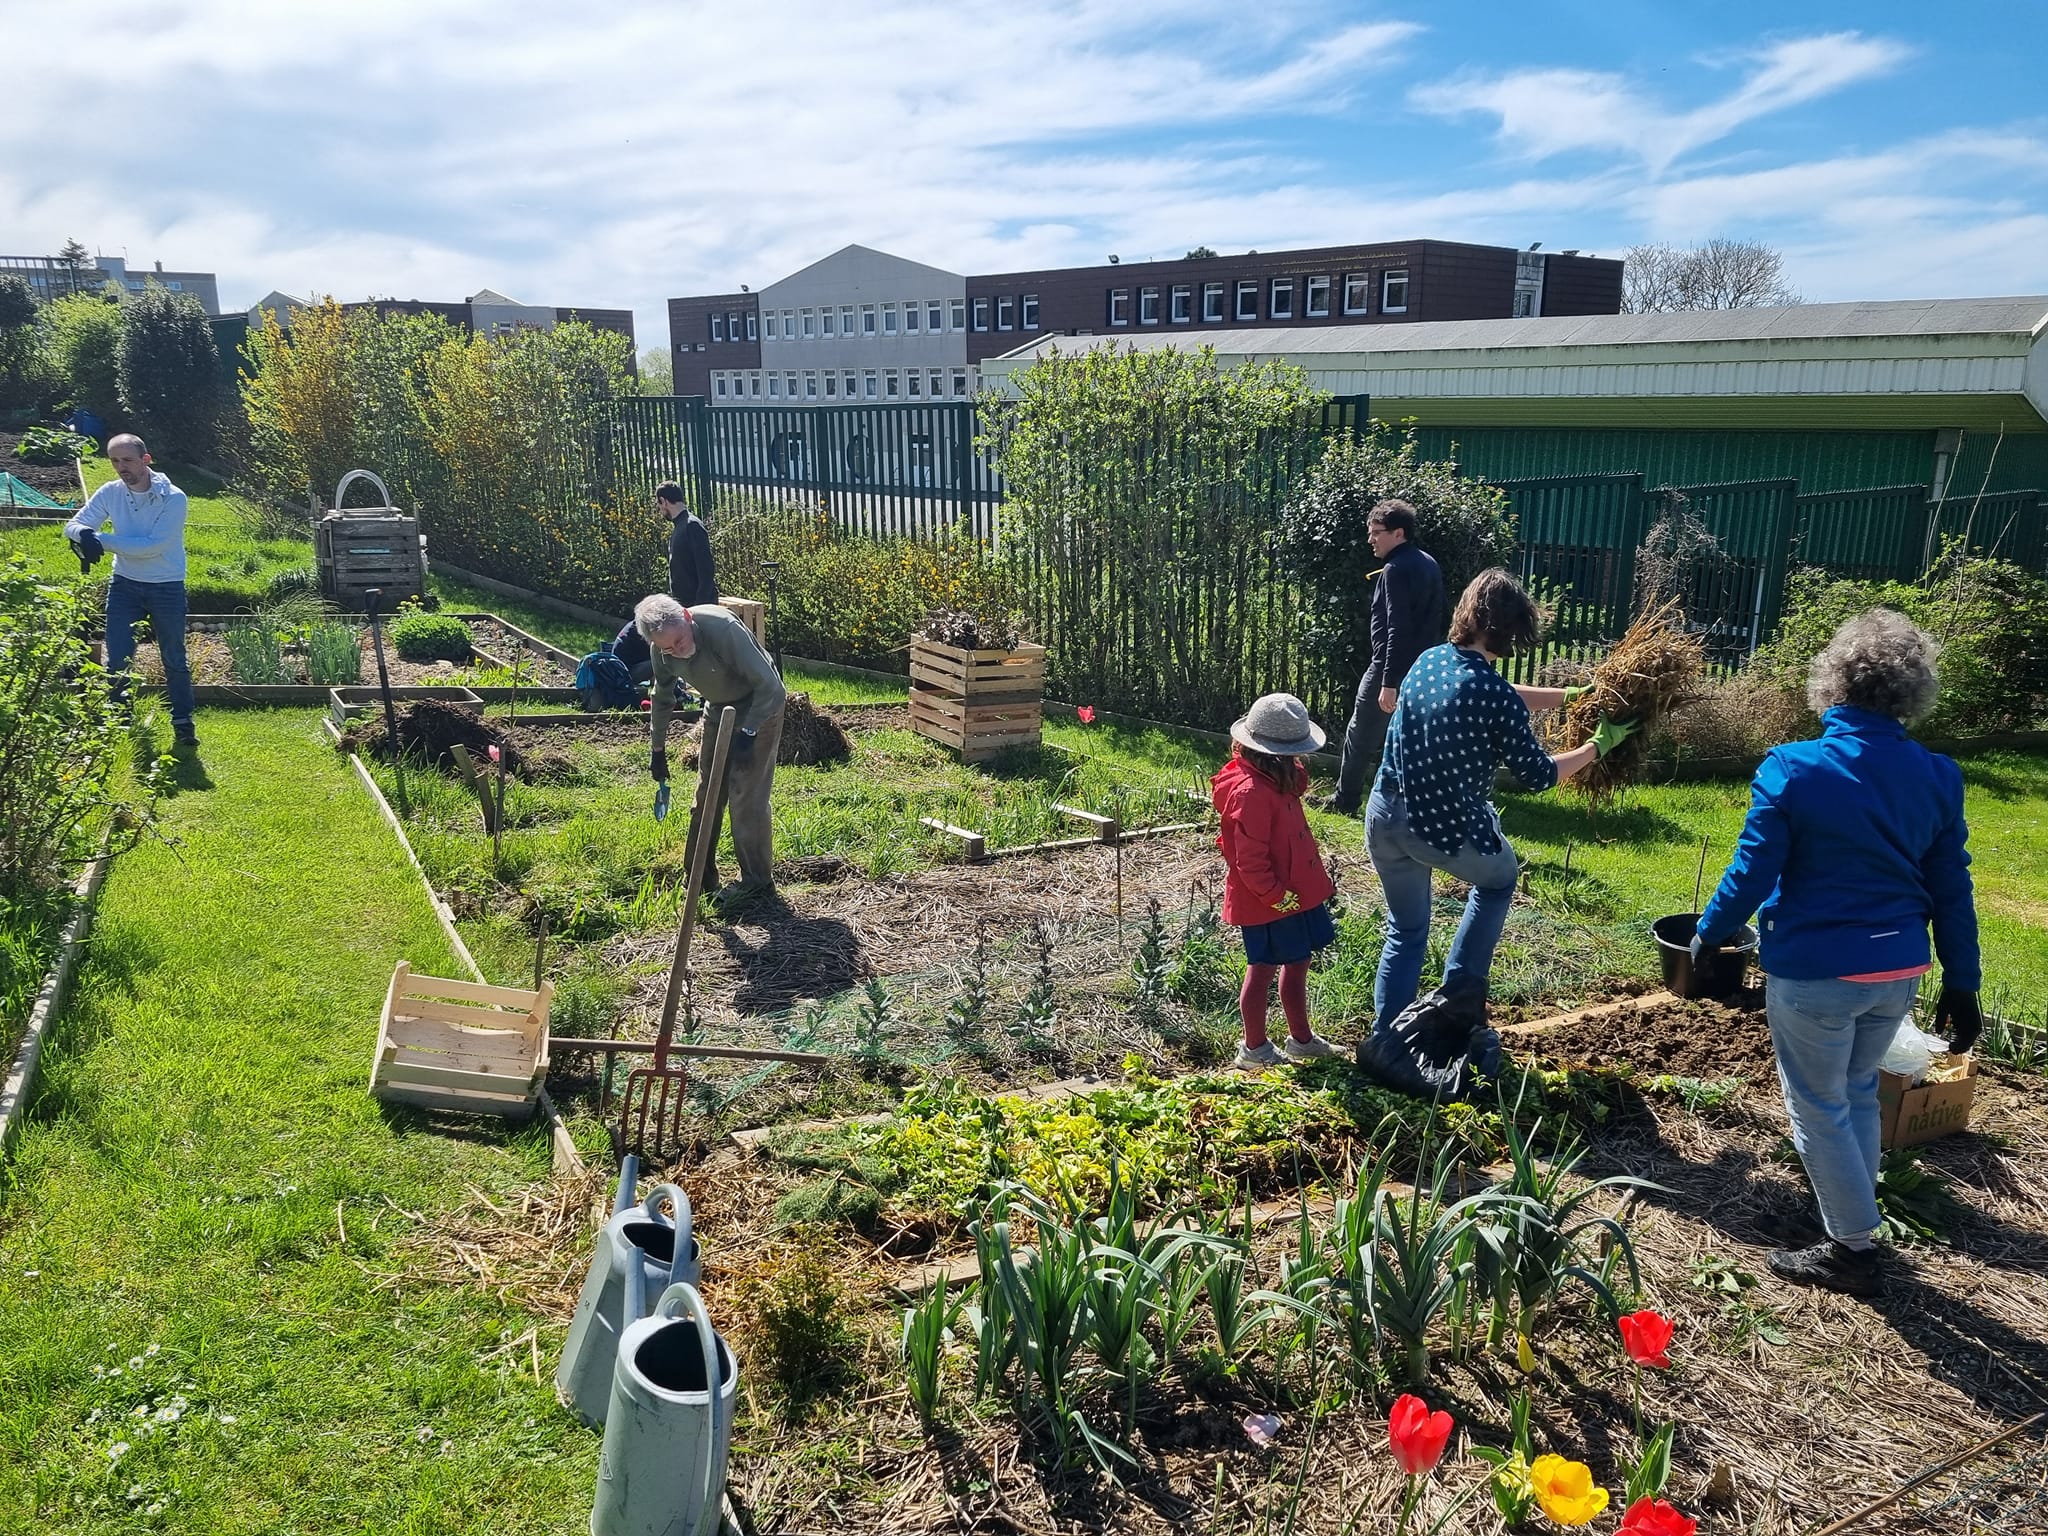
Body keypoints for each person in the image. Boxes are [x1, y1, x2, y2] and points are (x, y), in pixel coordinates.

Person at [1694, 610, 1979, 1298]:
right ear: (1911, 692)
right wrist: (1964, 984)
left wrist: (1708, 937)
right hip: (1898, 972)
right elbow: (1952, 889)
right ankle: (1856, 1214)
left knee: (1816, 1102)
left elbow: (1751, 875)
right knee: (1853, 1089)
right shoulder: (1938, 776)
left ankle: (1853, 1249)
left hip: (1816, 972)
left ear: (1832, 683)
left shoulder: (1794, 768)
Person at [1366, 569, 1633, 1039]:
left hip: (1385, 816)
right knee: (1499, 880)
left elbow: (1497, 697)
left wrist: (1568, 697)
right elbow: (1539, 775)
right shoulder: (1492, 695)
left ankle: (1387, 1039)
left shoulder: (1428, 662)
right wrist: (1596, 748)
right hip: (1438, 829)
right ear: (1513, 629)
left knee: (1406, 931)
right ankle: (1458, 999)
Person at [1212, 693, 1341, 1070]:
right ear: (1275, 755)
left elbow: (1297, 784)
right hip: (1269, 900)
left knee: (1298, 961)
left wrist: (1292, 766)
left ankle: (1301, 1039)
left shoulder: (1276, 778)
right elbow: (1248, 860)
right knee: (1263, 968)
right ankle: (1254, 1049)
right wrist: (1275, 896)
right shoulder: (1251, 792)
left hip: (1294, 894)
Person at [636, 593, 786, 910]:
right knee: (707, 795)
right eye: (668, 648)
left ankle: (758, 885)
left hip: (760, 706)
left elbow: (772, 687)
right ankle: (699, 880)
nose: (677, 650)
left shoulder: (722, 629)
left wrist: (748, 732)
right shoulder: (661, 650)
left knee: (746, 795)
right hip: (719, 709)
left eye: (679, 640)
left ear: (687, 619)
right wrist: (658, 748)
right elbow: (662, 697)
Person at [64, 434, 196, 749]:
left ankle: (183, 723)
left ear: (145, 460)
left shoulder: (173, 498)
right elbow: (74, 524)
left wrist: (100, 540)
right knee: (117, 657)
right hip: (124, 585)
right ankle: (119, 720)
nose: (121, 467)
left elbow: (153, 547)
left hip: (166, 585)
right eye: (115, 461)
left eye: (127, 460)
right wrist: (83, 532)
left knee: (174, 657)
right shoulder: (111, 493)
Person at [1323, 500, 1444, 815]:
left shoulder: (1394, 568)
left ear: (1399, 533)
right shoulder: (1429, 563)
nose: (1370, 539)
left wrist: (1388, 681)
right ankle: (1408, 806)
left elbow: (1397, 628)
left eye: (1377, 533)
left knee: (1361, 735)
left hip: (1390, 668)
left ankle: (1345, 801)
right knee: (1411, 741)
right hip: (1423, 668)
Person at [658, 482, 718, 608]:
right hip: (685, 607)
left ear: (664, 501)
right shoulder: (680, 527)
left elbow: (706, 571)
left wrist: (699, 607)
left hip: (697, 608)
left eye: (659, 505)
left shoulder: (692, 526)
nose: (660, 510)